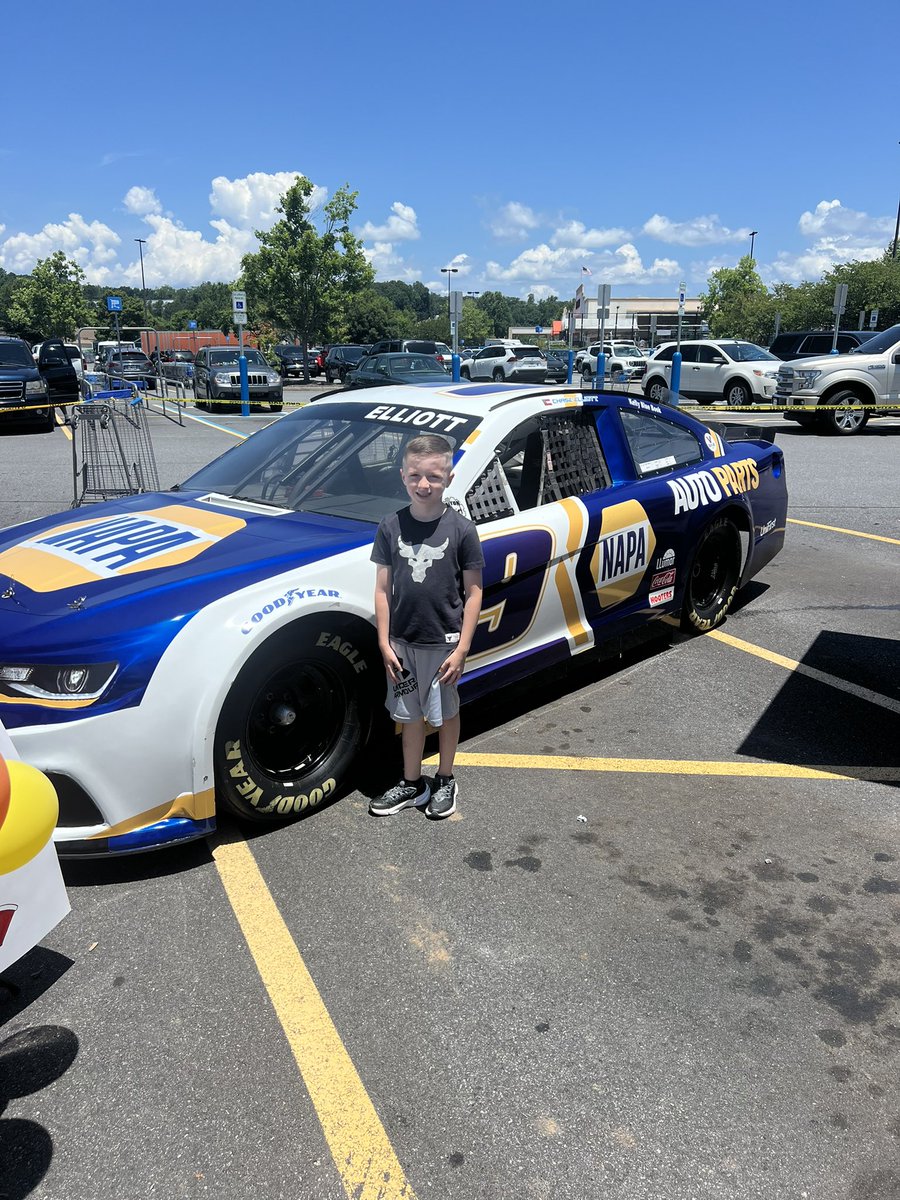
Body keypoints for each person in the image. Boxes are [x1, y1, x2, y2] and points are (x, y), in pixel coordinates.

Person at [369, 434, 484, 819]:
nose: (424, 484)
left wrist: (463, 647)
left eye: (434, 476)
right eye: (416, 475)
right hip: (401, 646)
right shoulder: (390, 527)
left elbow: (474, 592)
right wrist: (384, 642)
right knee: (409, 714)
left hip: (444, 644)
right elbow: (383, 589)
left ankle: (446, 777)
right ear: (402, 475)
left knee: (446, 712)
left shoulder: (462, 531)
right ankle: (412, 782)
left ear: (449, 477)